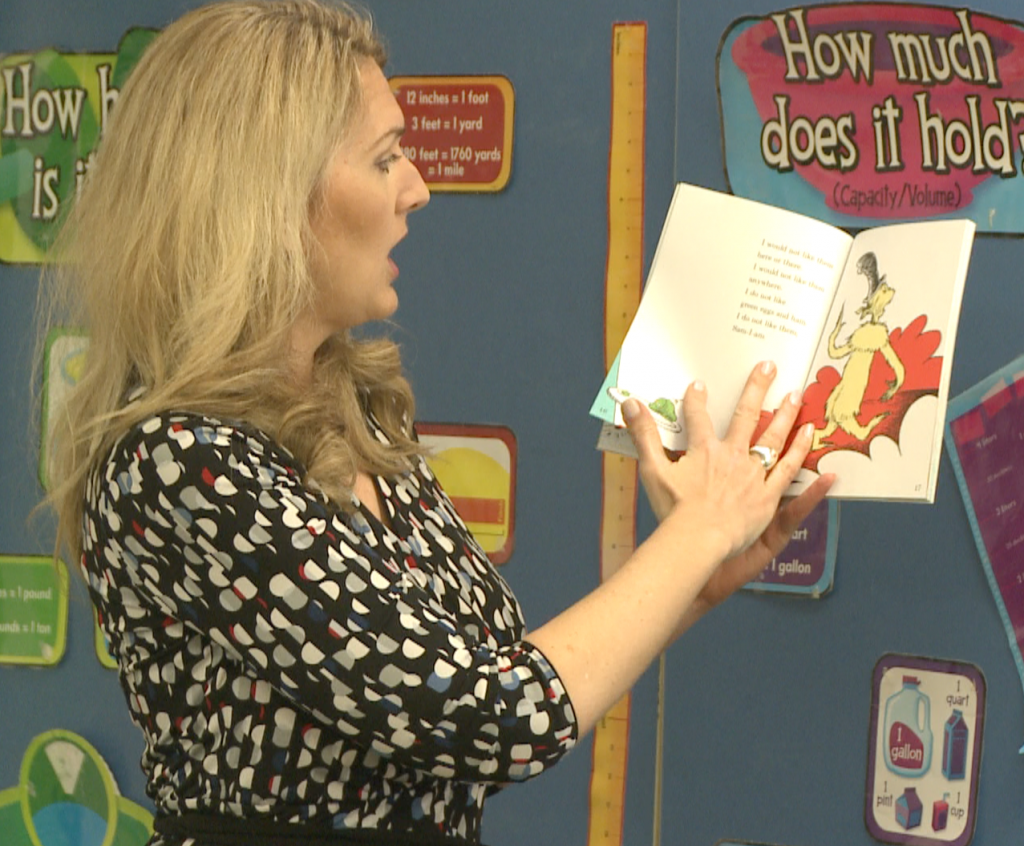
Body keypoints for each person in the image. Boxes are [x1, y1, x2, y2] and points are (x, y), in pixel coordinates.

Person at [41, 2, 833, 844]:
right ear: (267, 197)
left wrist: (695, 576)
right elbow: (493, 718)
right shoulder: (178, 463)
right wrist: (694, 533)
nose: (418, 188)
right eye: (385, 160)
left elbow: (483, 676)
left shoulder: (355, 412)